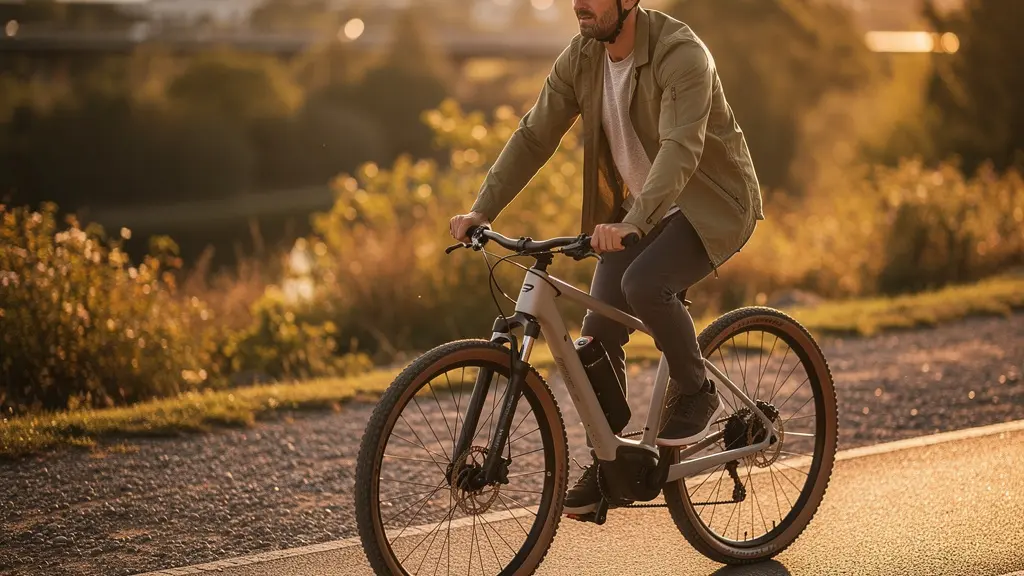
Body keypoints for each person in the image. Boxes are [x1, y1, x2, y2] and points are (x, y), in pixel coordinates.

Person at [449, 0, 763, 515]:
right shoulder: (582, 58)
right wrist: (481, 209)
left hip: (709, 206)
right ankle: (613, 458)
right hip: (639, 212)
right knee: (596, 337)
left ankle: (696, 388)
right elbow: (534, 135)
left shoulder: (680, 54)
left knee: (644, 284)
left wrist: (634, 222)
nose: (579, 3)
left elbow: (681, 148)